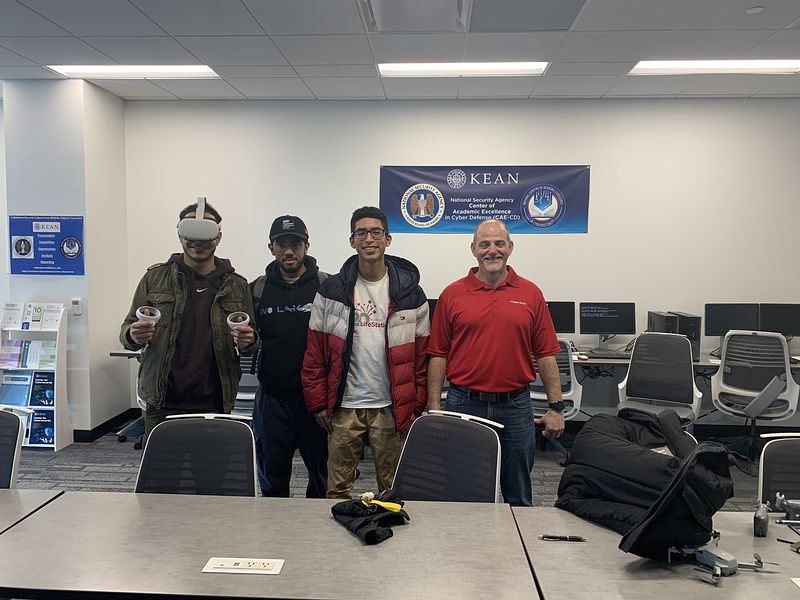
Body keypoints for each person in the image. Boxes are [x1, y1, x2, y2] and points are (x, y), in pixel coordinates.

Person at [427, 219, 564, 506]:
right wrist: (435, 407)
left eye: (499, 243)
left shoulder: (530, 293)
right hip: (464, 405)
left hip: (516, 407)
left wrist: (556, 408)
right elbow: (438, 354)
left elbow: (546, 353)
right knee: (463, 491)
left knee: (518, 494)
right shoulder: (452, 294)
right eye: (485, 244)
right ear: (473, 249)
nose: (493, 250)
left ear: (510, 247)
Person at [302, 206, 429, 499]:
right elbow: (315, 353)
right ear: (352, 241)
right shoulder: (332, 290)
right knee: (337, 491)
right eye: (361, 233)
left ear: (388, 239)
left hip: (391, 408)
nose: (369, 239)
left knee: (393, 491)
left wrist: (415, 405)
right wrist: (318, 403)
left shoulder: (411, 294)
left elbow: (422, 358)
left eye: (376, 232)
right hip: (344, 407)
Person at [120, 200, 257, 442]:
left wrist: (249, 340)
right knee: (161, 466)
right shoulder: (155, 278)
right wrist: (133, 334)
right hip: (162, 399)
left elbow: (251, 341)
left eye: (206, 233)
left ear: (218, 236)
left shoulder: (237, 285)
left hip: (215, 400)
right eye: (191, 233)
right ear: (180, 235)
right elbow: (127, 332)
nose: (198, 242)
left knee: (211, 465)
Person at [250, 215, 328, 497]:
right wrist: (246, 340)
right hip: (272, 399)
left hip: (316, 401)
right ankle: (274, 526)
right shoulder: (257, 290)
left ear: (306, 245)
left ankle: (317, 527)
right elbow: (247, 340)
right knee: (272, 480)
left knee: (322, 480)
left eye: (295, 243)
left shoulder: (327, 286)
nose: (288, 251)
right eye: (281, 244)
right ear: (271, 248)